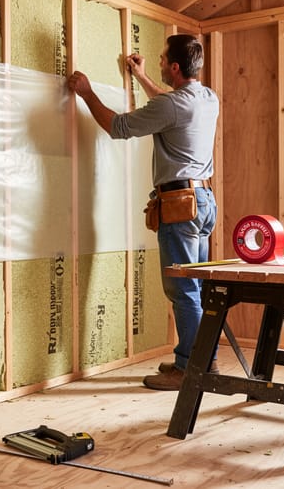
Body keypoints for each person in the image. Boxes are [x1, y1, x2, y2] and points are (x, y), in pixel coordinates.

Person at [67, 34, 219, 391]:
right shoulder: (207, 97)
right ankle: (198, 360)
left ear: (176, 67)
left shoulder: (172, 105)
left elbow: (118, 127)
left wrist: (87, 93)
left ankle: (191, 370)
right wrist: (141, 76)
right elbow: (168, 104)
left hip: (180, 206)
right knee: (196, 288)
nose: (160, 62)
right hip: (202, 202)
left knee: (183, 290)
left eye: (163, 60)